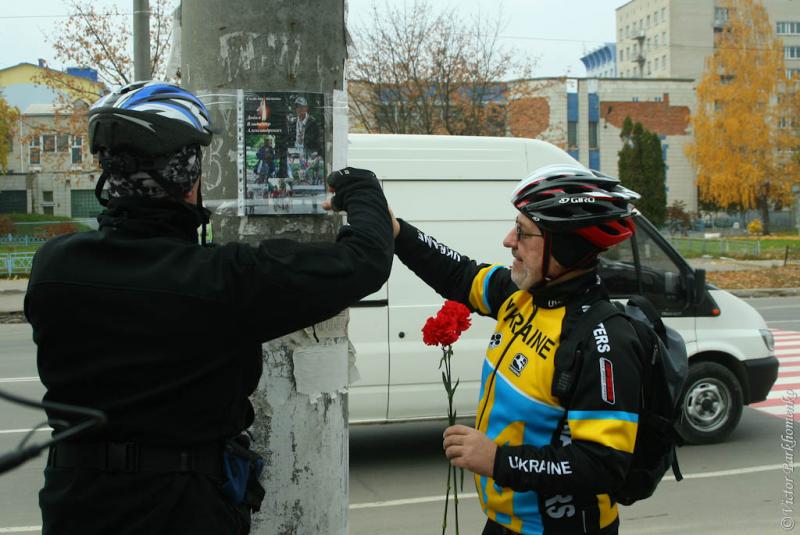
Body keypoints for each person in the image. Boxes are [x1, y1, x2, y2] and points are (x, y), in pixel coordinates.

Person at [25, 81, 393, 535]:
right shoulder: (218, 278)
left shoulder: (53, 266)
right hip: (179, 509)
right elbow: (365, 262)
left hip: (74, 505)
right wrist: (363, 190)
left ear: (110, 174)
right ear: (187, 177)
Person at [391, 161, 643, 534]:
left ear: (566, 248)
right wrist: (396, 232)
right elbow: (459, 274)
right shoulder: (522, 296)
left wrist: (497, 460)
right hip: (505, 523)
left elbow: (603, 466)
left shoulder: (603, 339)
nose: (509, 240)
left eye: (523, 232)